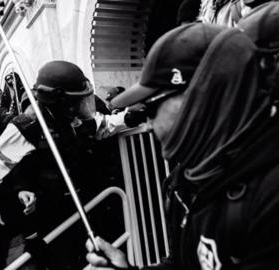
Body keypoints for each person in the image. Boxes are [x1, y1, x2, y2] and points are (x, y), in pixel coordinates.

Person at [86, 20, 279, 270]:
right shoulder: (185, 182)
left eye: (151, 108)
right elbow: (181, 263)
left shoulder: (270, 193)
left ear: (205, 95)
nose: (148, 125)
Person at [0, 61, 128, 269]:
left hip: (81, 204)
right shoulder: (29, 126)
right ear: (63, 101)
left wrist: (129, 119)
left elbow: (101, 125)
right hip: (49, 216)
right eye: (78, 100)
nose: (83, 104)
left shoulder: (72, 119)